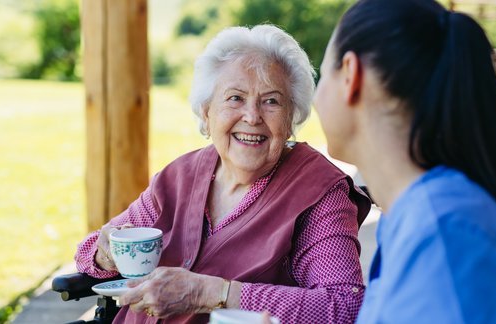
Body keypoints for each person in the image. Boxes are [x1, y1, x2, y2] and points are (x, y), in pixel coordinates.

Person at [75, 24, 371, 323]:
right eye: (235, 98)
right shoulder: (178, 177)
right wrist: (107, 254)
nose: (252, 117)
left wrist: (215, 293)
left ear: (291, 117)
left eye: (271, 101)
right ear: (207, 112)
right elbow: (90, 251)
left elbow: (344, 306)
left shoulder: (318, 192)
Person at [313, 0, 496, 322]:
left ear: (351, 75)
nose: (315, 97)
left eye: (322, 74)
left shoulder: (444, 230)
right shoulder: (413, 217)